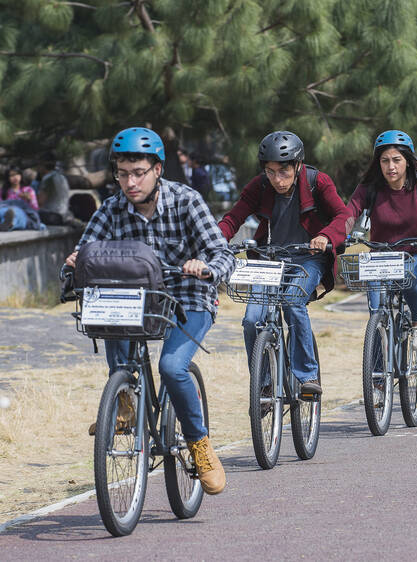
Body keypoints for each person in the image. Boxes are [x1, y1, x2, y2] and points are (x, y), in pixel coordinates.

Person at [64, 127, 235, 495]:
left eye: (138, 172)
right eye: (122, 173)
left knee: (172, 367)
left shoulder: (187, 201)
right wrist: (74, 264)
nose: (129, 182)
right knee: (107, 313)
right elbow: (86, 251)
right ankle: (123, 398)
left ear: (158, 169)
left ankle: (200, 444)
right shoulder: (111, 209)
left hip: (189, 297)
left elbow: (224, 255)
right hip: (138, 302)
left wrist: (205, 268)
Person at [218, 131, 349, 397]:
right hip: (270, 260)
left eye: (283, 171)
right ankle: (264, 384)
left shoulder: (318, 182)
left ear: (298, 165)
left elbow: (343, 216)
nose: (277, 179)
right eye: (270, 171)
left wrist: (325, 236)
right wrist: (214, 240)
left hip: (309, 259)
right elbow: (233, 218)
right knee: (251, 320)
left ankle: (306, 376)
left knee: (292, 301)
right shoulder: (259, 186)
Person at [348, 130, 417, 351]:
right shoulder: (369, 187)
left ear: (408, 161)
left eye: (396, 160)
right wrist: (337, 234)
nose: (391, 166)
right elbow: (349, 214)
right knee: (376, 315)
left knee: (409, 273)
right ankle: (376, 379)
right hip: (381, 260)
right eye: (385, 161)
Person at [37, 158, 73, 225]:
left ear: (43, 166)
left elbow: (40, 201)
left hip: (54, 216)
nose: (37, 168)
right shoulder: (62, 177)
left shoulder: (48, 179)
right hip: (65, 214)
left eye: (38, 165)